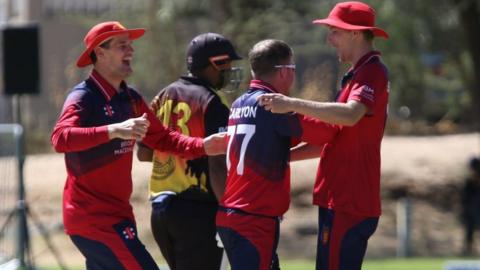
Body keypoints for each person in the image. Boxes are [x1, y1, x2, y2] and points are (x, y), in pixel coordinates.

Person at [50, 21, 225, 270]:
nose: (131, 51)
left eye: (130, 45)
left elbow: (162, 138)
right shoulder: (83, 96)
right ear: (100, 53)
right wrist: (113, 131)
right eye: (122, 46)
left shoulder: (131, 98)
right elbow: (60, 138)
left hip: (118, 215)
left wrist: (204, 146)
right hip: (94, 220)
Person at [258, 2, 390, 269]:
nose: (330, 39)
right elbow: (332, 139)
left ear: (355, 33)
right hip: (340, 198)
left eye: (335, 31)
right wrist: (283, 157)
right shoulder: (357, 74)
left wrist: (292, 103)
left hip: (348, 200)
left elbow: (351, 114)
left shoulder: (371, 71)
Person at [216, 39, 336, 270]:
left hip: (232, 215)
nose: (294, 75)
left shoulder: (239, 103)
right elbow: (329, 132)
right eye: (293, 69)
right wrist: (298, 104)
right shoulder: (272, 105)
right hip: (254, 220)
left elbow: (291, 143)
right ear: (282, 72)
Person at [136, 32, 242, 270]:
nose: (229, 70)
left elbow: (143, 153)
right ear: (214, 64)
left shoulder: (162, 95)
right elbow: (216, 163)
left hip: (160, 212)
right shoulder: (211, 103)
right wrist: (229, 210)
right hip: (196, 212)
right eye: (227, 64)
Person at [460, 157, 480, 256]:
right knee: (469, 233)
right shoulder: (469, 183)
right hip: (471, 212)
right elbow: (464, 199)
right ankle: (468, 252)